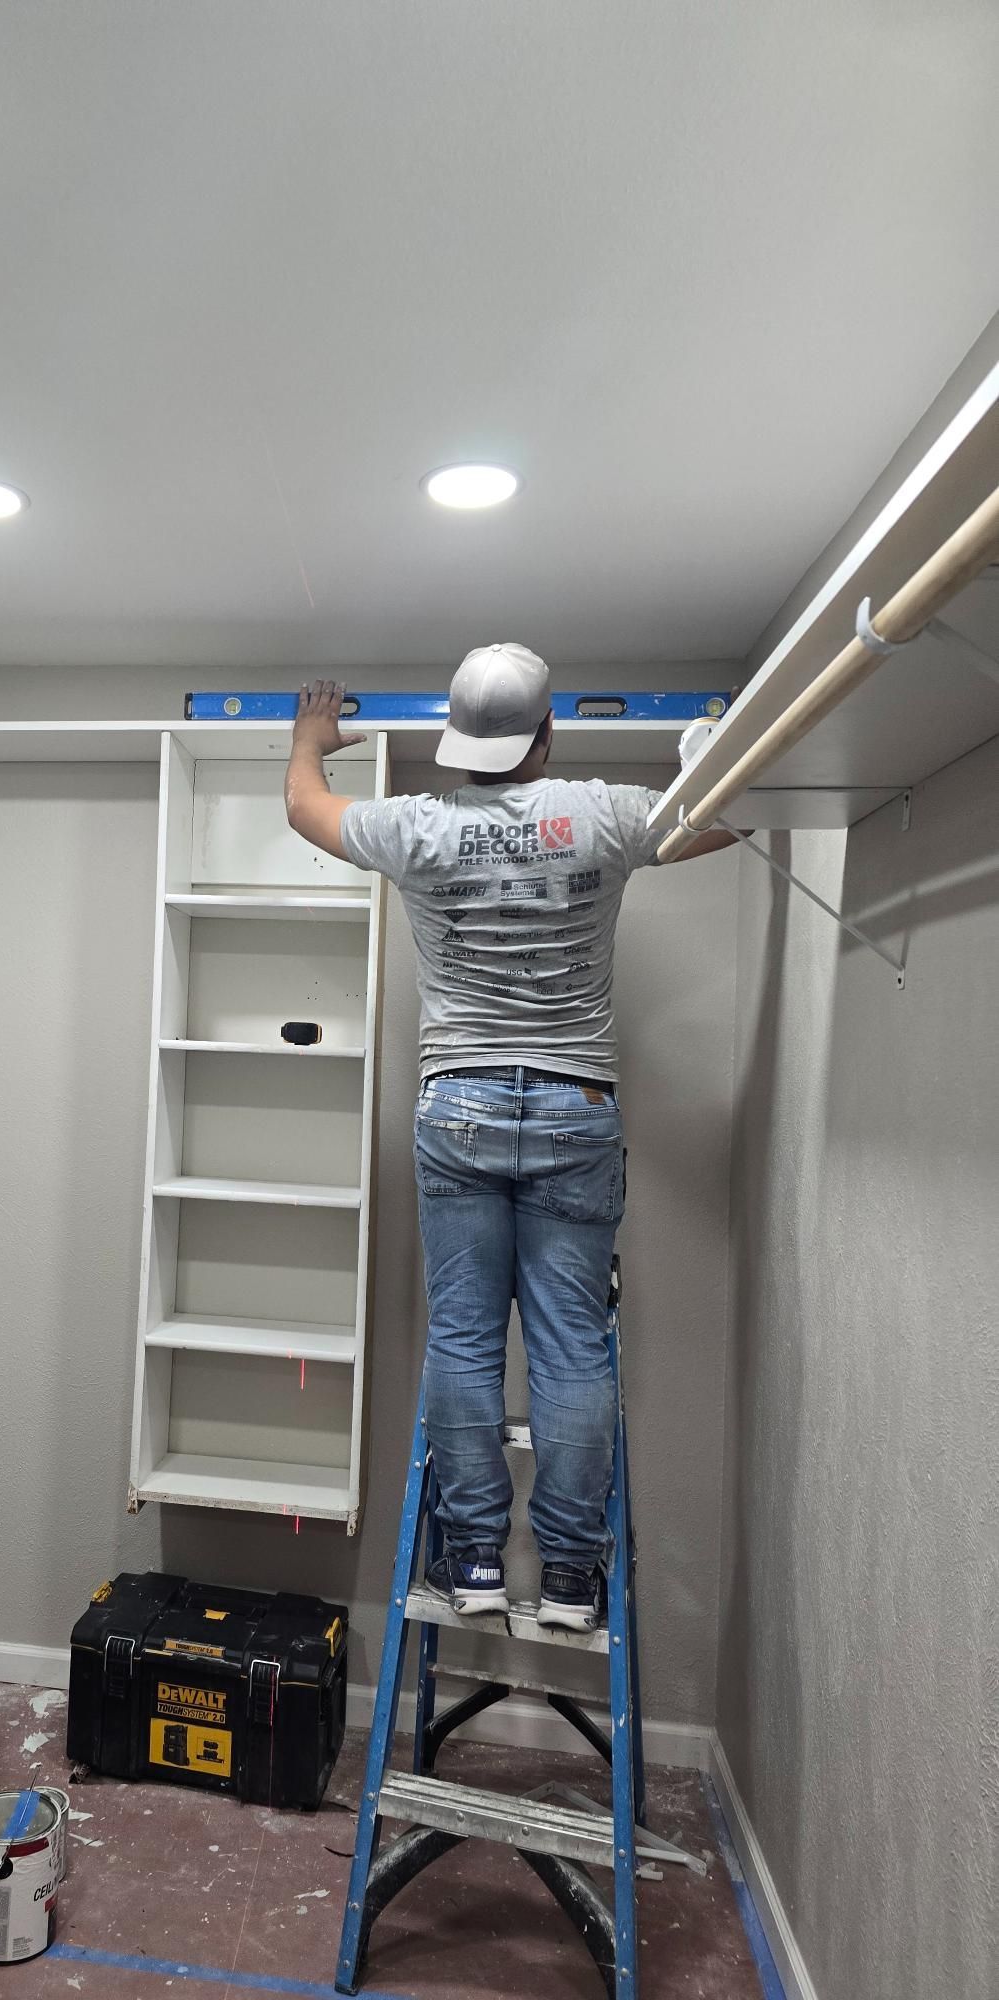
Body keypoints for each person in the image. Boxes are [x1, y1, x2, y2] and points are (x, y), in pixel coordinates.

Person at [284, 648, 735, 1630]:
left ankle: (476, 1562)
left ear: (458, 736)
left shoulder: (418, 827)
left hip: (460, 1107)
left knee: (463, 1338)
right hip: (577, 1107)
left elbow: (306, 808)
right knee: (573, 1351)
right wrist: (712, 748)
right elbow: (725, 815)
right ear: (546, 734)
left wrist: (308, 737)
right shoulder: (602, 812)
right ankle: (571, 1579)